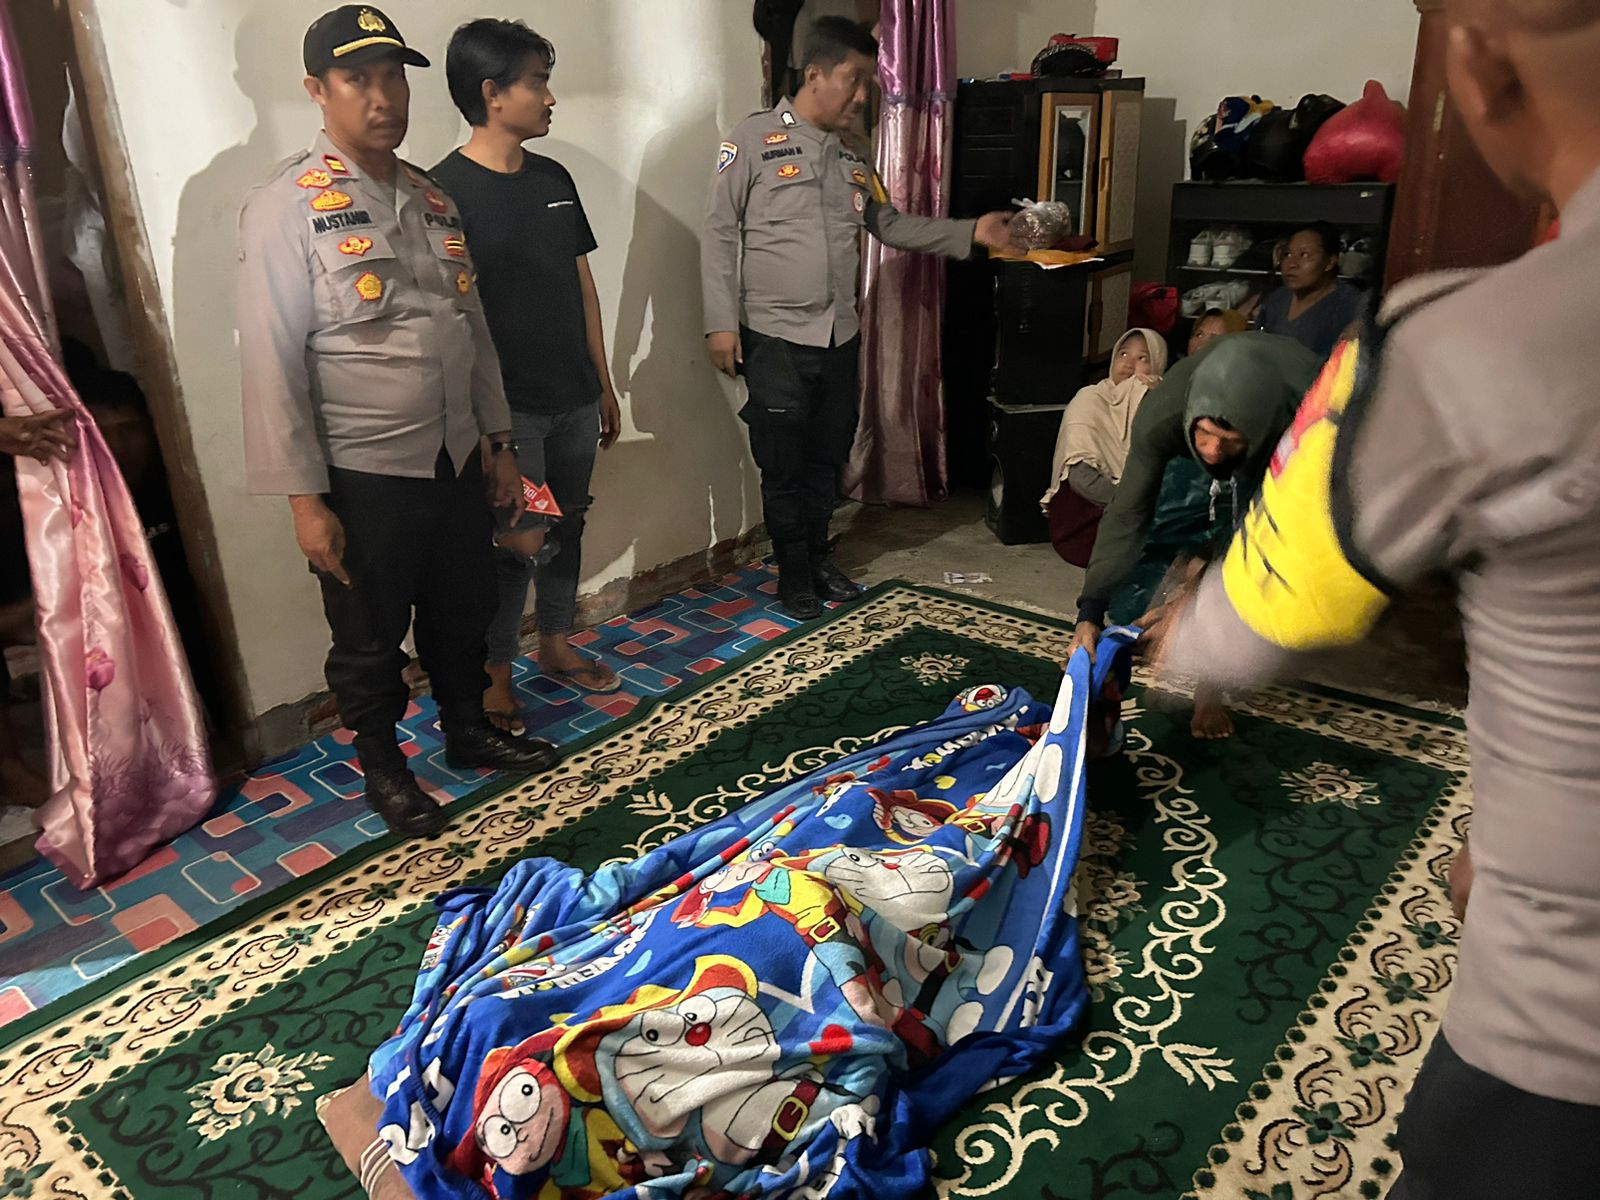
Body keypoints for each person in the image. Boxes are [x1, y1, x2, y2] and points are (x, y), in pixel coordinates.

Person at [1144, 0, 1600, 1192]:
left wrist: (1186, 624)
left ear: (1480, 60)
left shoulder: (1474, 341)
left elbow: (1253, 624)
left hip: (1558, 1047)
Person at [237, 5, 560, 840]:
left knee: (462, 605)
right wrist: (305, 501)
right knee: (369, 637)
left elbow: (470, 330)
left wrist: (498, 442)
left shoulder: (430, 195)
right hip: (363, 470)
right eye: (358, 79)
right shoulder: (286, 205)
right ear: (318, 90)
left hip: (454, 456)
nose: (382, 97)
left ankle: (467, 727)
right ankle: (385, 768)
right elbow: (271, 361)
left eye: (393, 77)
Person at [701, 17, 1015, 619]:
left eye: (869, 81)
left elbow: (887, 223)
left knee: (828, 455)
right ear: (815, 74)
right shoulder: (752, 140)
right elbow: (719, 233)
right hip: (774, 336)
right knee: (783, 463)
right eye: (856, 78)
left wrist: (971, 232)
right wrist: (720, 323)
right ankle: (793, 572)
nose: (864, 94)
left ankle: (819, 557)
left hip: (839, 334)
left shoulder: (852, 155)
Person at [432, 20, 623, 731]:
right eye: (537, 82)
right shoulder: (443, 194)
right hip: (510, 416)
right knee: (517, 544)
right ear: (492, 93)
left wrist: (603, 381)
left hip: (575, 397)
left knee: (567, 525)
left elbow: (582, 287)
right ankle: (495, 676)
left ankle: (557, 642)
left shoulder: (553, 179)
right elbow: (451, 324)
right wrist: (489, 432)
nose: (549, 97)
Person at [1067, 333, 1321, 738]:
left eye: (1227, 441)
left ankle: (1210, 687)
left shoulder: (1307, 425)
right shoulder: (1163, 414)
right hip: (1200, 418)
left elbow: (1262, 534)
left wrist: (1196, 603)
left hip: (1287, 444)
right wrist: (1090, 612)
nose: (1214, 450)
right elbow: (1128, 513)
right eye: (1205, 434)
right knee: (1156, 546)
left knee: (1273, 592)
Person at [1041, 329, 1170, 567]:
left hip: (1133, 516)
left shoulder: (1161, 401)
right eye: (1123, 354)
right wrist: (1133, 507)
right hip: (1085, 525)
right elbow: (1082, 479)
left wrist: (1156, 400)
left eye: (1142, 358)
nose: (1129, 364)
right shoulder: (1090, 399)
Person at [1252, 222, 1366, 358]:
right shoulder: (1277, 300)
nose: (1292, 264)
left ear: (1329, 262)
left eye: (1304, 255)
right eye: (1287, 254)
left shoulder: (1350, 304)